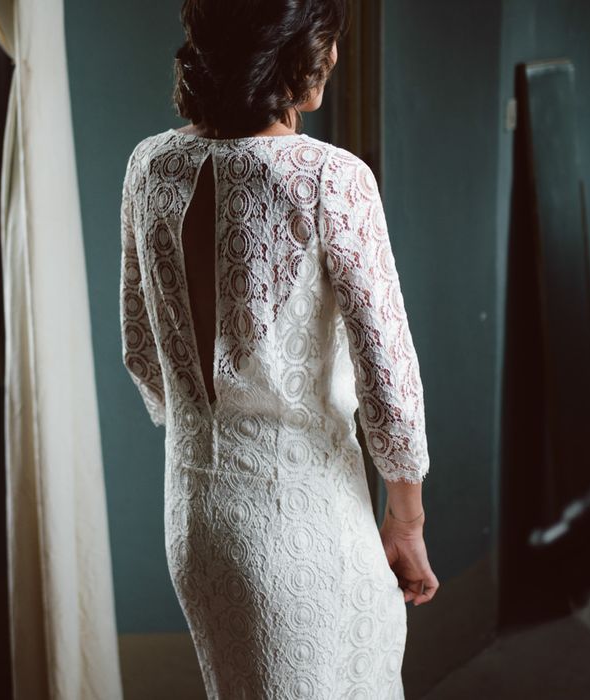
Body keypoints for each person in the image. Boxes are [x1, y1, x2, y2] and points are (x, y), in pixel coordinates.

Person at [119, 0, 439, 696]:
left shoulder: (149, 166)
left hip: (197, 519)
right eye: (325, 42)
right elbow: (390, 379)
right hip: (308, 520)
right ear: (291, 52)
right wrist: (405, 521)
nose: (331, 57)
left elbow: (141, 351)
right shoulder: (330, 180)